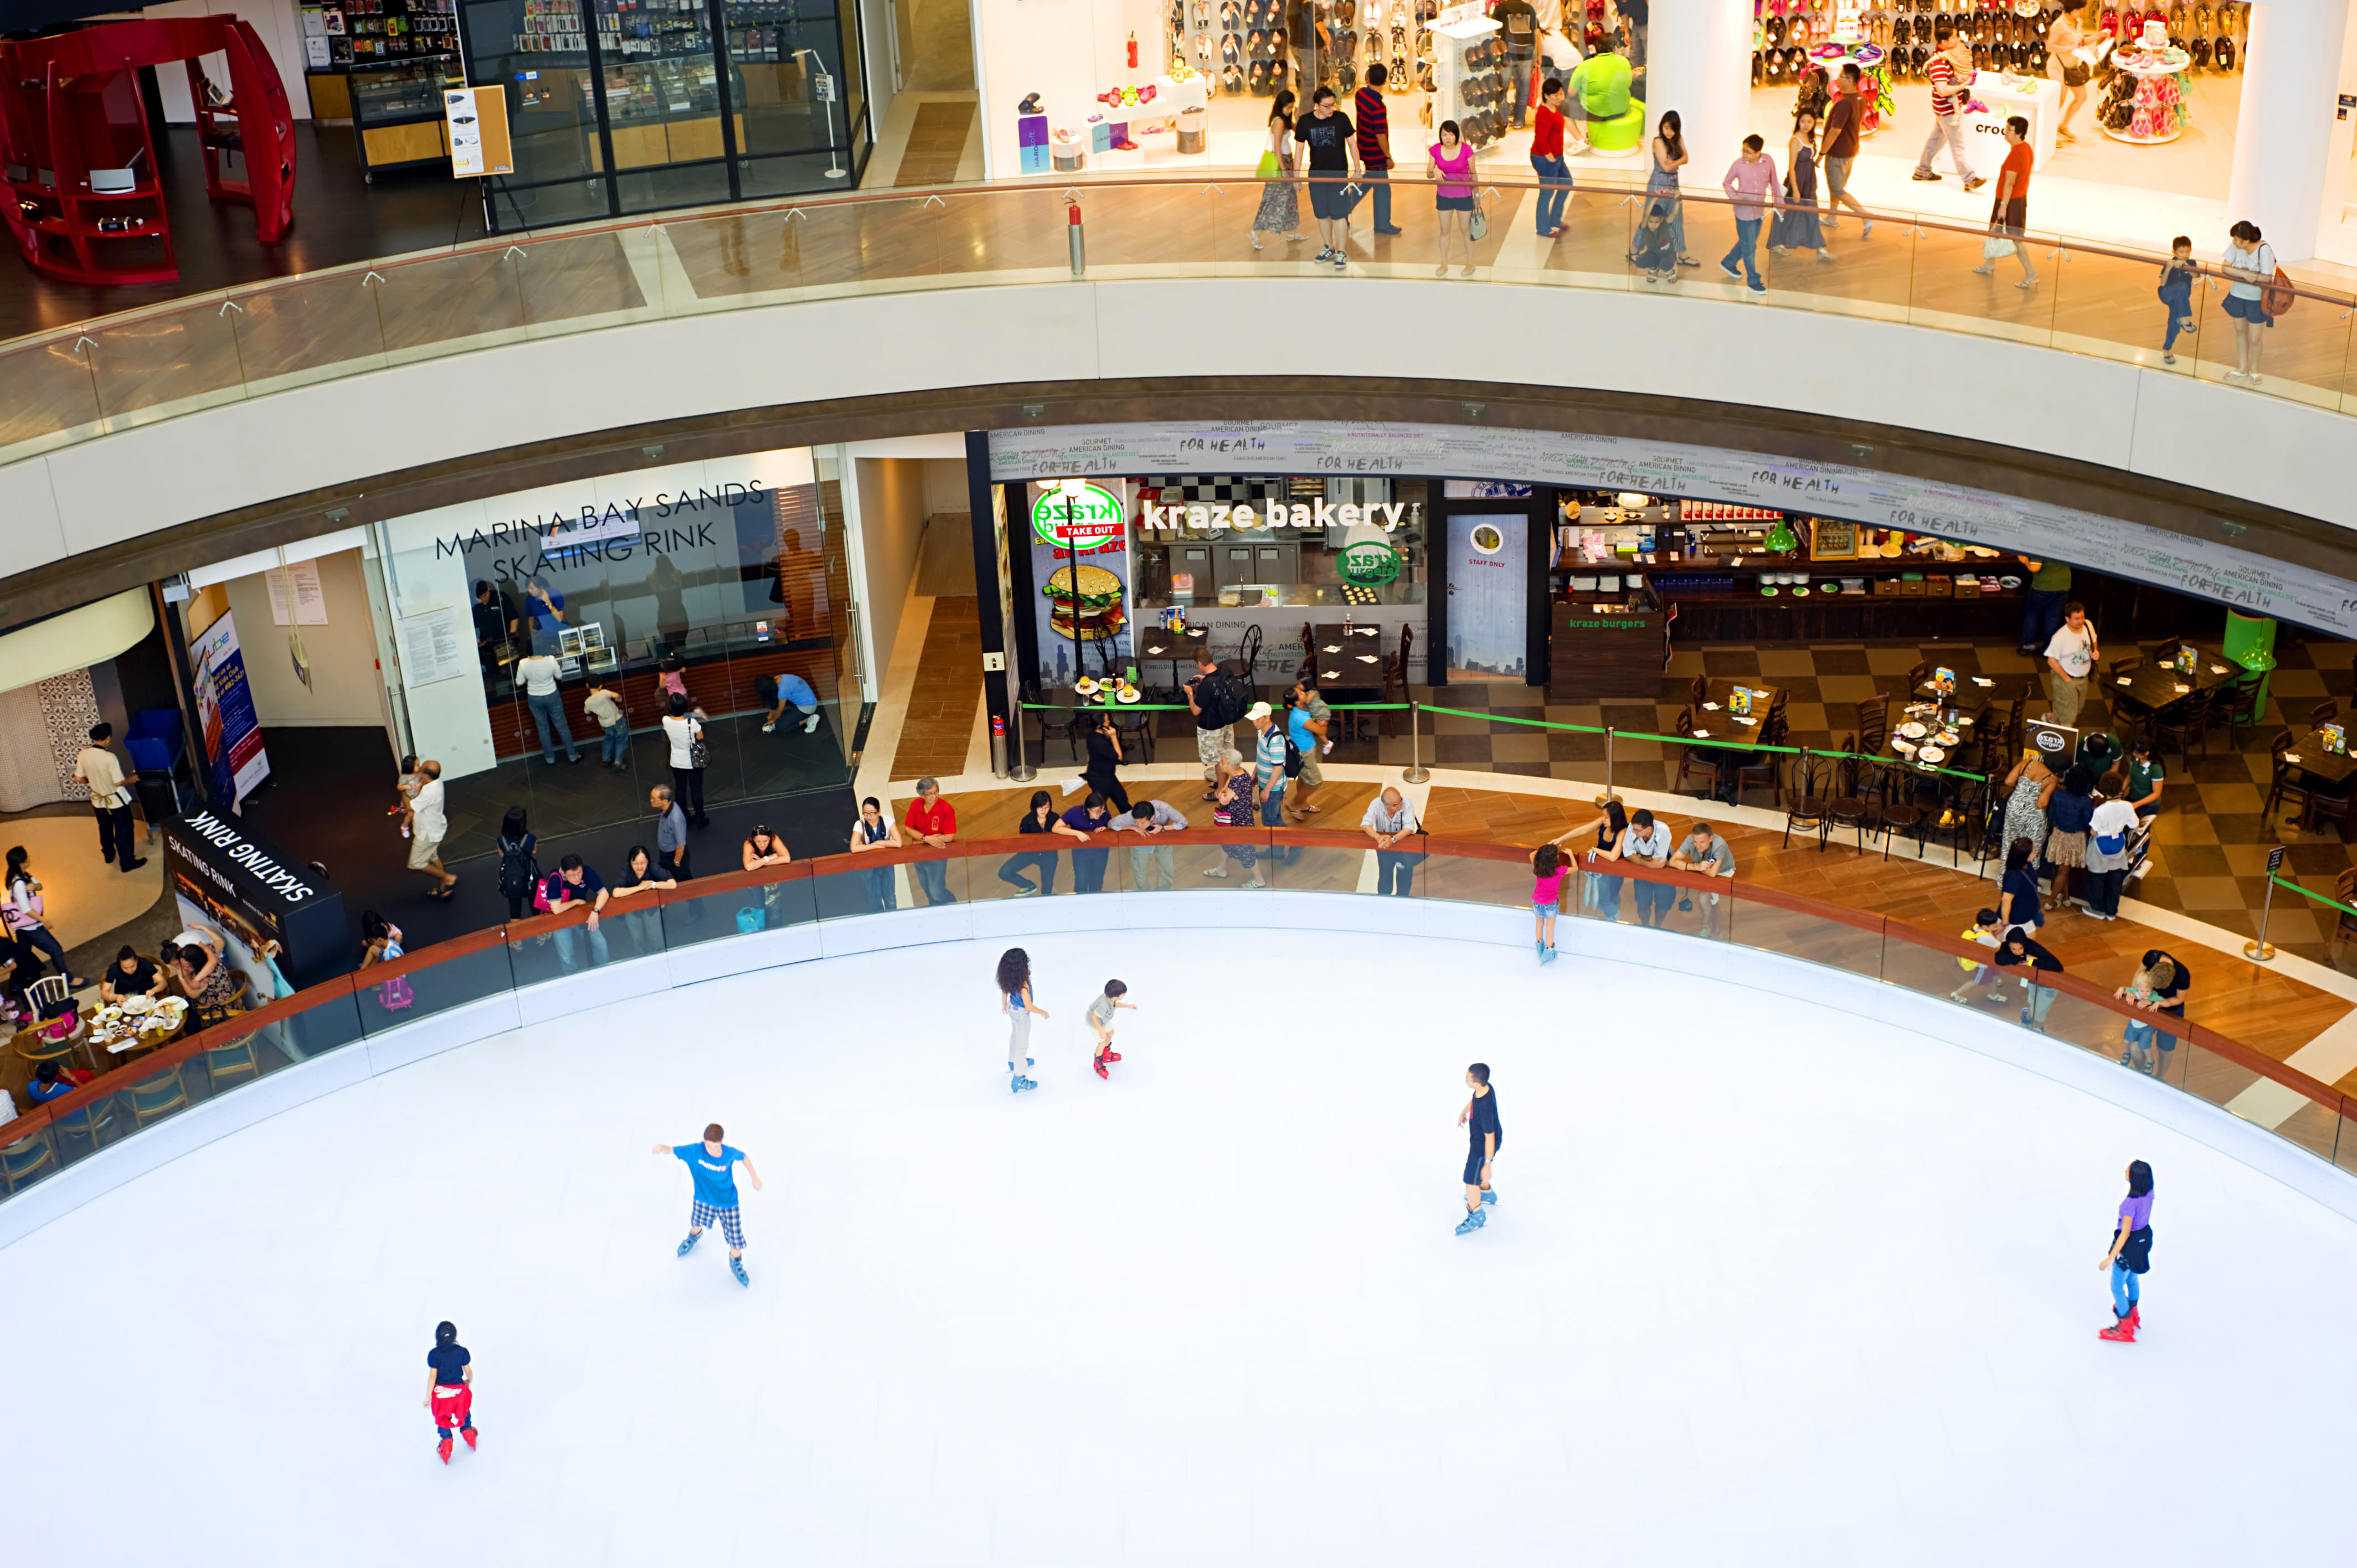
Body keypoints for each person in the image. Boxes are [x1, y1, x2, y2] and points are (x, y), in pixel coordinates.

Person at [655, 1122, 761, 1287]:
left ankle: (736, 1263)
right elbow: (673, 1150)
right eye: (709, 1145)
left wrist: (754, 1177)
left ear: (722, 1143)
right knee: (696, 1224)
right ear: (704, 1141)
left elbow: (744, 1157)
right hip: (704, 1200)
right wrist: (662, 1147)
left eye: (716, 1146)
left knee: (735, 1238)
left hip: (728, 1202)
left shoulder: (729, 1153)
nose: (712, 1149)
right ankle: (693, 1237)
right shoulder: (695, 1151)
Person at [1912, 25, 1985, 190]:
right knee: (1957, 145)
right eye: (1953, 38)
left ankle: (1922, 170)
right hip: (1947, 110)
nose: (1957, 40)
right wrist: (1963, 86)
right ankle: (1969, 179)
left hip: (1943, 109)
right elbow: (1943, 90)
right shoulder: (1939, 65)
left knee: (1936, 140)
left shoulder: (1948, 55)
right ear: (1944, 42)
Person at [2, 847, 85, 989]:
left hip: (22, 929)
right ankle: (68, 980)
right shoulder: (19, 883)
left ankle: (17, 985)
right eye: (26, 857)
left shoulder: (22, 876)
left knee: (24, 956)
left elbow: (40, 886)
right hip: (31, 928)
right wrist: (43, 920)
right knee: (56, 950)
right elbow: (26, 909)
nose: (29, 859)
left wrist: (34, 886)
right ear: (22, 862)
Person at [1970, 116, 2037, 288]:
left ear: (2019, 134)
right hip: (2015, 199)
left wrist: (2003, 206)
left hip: (2010, 202)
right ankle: (1990, 263)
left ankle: (2031, 273)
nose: (2005, 132)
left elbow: (2009, 183)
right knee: (1995, 231)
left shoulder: (2016, 155)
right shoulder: (2027, 149)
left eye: (2009, 130)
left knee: (2016, 238)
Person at [1295, 85, 1357, 270]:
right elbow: (1299, 150)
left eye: (1333, 105)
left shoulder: (1342, 118)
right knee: (1322, 214)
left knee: (1339, 215)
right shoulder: (1305, 122)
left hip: (1339, 176)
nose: (1332, 109)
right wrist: (1295, 177)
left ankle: (1341, 251)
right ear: (1317, 105)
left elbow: (1352, 144)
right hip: (1316, 176)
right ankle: (1328, 247)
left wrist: (1358, 169)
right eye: (1327, 106)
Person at [72, 723, 145, 873]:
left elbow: (78, 778)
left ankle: (109, 855)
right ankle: (127, 862)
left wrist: (92, 782)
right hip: (116, 801)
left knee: (105, 829)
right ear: (107, 738)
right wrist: (132, 779)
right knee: (123, 831)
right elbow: (118, 782)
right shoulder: (109, 757)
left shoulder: (83, 754)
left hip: (98, 801)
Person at [2098, 1160, 2155, 1342]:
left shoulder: (2129, 1205)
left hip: (2129, 1245)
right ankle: (2133, 1310)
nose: (2125, 1171)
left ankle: (2125, 1326)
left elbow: (2124, 1234)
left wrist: (2110, 1257)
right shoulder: (2150, 1193)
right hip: (2143, 1240)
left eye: (2129, 1170)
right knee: (2132, 1278)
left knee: (2116, 1285)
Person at [1769, 110, 1833, 262]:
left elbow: (1810, 158)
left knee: (1812, 213)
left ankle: (1819, 249)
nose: (1806, 125)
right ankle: (1775, 243)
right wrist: (1796, 191)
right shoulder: (1795, 140)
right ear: (1798, 121)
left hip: (1809, 181)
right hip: (1796, 182)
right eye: (1803, 121)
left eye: (1809, 122)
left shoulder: (1810, 137)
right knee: (1786, 214)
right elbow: (1792, 167)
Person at [2220, 219, 2277, 385]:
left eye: (2236, 240)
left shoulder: (2264, 250)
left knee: (2254, 338)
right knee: (2240, 332)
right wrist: (2244, 275)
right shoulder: (2236, 247)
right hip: (2237, 295)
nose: (2234, 242)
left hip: (2257, 300)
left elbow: (2267, 277)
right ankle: (2243, 368)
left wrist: (2244, 274)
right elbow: (2225, 267)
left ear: (2246, 240)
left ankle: (2255, 369)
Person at [1185, 651, 1249, 800]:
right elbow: (1217, 685)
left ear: (1200, 664)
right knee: (1226, 755)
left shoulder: (1205, 687)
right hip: (1226, 723)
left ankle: (1220, 791)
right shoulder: (1224, 669)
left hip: (1211, 728)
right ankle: (1223, 783)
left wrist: (1190, 694)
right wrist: (1205, 679)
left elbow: (1195, 711)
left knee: (1218, 761)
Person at [1818, 63, 1873, 235]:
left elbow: (1835, 131)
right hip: (1851, 149)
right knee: (1837, 185)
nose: (1838, 78)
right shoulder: (1861, 99)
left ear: (1849, 80)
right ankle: (1832, 218)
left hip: (1838, 152)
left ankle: (1866, 216)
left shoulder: (1843, 104)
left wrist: (1822, 153)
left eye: (1841, 76)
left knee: (1837, 189)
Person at [1249, 88, 1306, 251]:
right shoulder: (1279, 122)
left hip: (1286, 161)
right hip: (1282, 163)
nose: (1290, 110)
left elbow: (1297, 131)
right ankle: (1255, 233)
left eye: (1291, 107)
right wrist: (1284, 170)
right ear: (1281, 105)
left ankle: (1291, 231)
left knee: (1289, 198)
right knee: (1273, 199)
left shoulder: (1284, 119)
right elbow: (1277, 149)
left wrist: (1296, 117)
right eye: (1288, 107)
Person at [1718, 134, 1777, 295]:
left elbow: (1774, 182)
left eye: (1748, 152)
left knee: (1747, 242)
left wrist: (1780, 203)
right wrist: (1736, 197)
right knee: (1750, 246)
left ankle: (1728, 262)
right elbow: (1727, 182)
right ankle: (1753, 280)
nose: (1744, 155)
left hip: (1759, 211)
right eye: (1743, 151)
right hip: (1743, 213)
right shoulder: (1738, 165)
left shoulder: (1768, 161)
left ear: (1759, 153)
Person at [1557, 798, 1628, 922]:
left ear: (1615, 818)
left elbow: (1613, 856)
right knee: (1604, 894)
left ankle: (1614, 916)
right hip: (1600, 868)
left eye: (1606, 817)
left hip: (1614, 871)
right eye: (1603, 816)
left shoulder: (1623, 832)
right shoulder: (1604, 823)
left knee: (1607, 896)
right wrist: (1561, 838)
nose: (1603, 819)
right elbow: (1582, 830)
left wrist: (1596, 850)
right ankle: (1613, 913)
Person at [1204, 747, 1264, 889]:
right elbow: (1224, 789)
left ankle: (1259, 880)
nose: (1220, 764)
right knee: (1226, 843)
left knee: (1246, 851)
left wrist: (1221, 794)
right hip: (1236, 820)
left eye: (1223, 762)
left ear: (1231, 765)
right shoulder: (1239, 772)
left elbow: (1223, 798)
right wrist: (1223, 792)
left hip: (1239, 824)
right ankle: (1221, 869)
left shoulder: (1237, 782)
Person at [1354, 63, 1403, 236]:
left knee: (1371, 180)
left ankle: (1344, 206)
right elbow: (1380, 134)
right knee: (1383, 189)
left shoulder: (1360, 95)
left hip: (1363, 147)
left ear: (1367, 78)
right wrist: (1388, 156)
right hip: (1376, 153)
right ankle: (1382, 223)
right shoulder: (1379, 107)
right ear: (1386, 81)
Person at [1644, 109, 1697, 266]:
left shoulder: (1678, 138)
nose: (1669, 132)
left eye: (1673, 129)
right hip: (1659, 183)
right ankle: (1640, 250)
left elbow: (1686, 158)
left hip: (1674, 184)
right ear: (1662, 126)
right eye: (1666, 128)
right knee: (1651, 218)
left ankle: (1683, 254)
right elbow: (1666, 167)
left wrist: (1671, 162)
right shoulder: (1658, 141)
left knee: (1677, 219)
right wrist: (1676, 162)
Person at [541, 854, 610, 972]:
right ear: (563, 872)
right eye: (572, 875)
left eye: (579, 873)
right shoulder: (556, 879)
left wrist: (596, 911)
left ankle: (604, 971)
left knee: (601, 944)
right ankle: (571, 976)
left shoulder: (586, 871)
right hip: (561, 920)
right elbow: (556, 909)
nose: (577, 878)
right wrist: (576, 902)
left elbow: (604, 893)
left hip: (582, 915)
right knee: (567, 955)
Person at [2083, 772, 2138, 922]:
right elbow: (2135, 824)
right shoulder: (2127, 806)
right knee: (2115, 880)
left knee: (2098, 879)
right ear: (2120, 789)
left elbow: (2094, 831)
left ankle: (2097, 909)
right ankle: (2112, 912)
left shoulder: (2100, 810)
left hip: (2100, 847)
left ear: (2104, 789)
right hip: (2118, 845)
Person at [423, 1321, 478, 1465]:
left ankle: (446, 1445)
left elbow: (433, 1377)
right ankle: (468, 1433)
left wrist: (428, 1396)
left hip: (441, 1395)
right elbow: (468, 1372)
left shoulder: (434, 1355)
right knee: (464, 1411)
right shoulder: (462, 1352)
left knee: (443, 1418)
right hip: (458, 1393)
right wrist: (469, 1381)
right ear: (455, 1336)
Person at [1669, 817, 1736, 934]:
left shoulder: (1720, 844)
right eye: (1695, 842)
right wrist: (1696, 867)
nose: (1698, 846)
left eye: (1702, 842)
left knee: (1704, 898)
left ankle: (1708, 927)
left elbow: (1713, 873)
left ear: (1711, 839)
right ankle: (1713, 927)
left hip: (1723, 872)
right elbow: (1673, 861)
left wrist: (1693, 866)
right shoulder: (1690, 840)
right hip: (1701, 869)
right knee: (1707, 899)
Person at [1428, 118, 1477, 280]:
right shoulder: (1435, 150)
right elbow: (1428, 173)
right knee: (1444, 231)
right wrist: (1434, 171)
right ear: (1440, 136)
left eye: (1451, 135)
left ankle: (1471, 263)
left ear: (1456, 135)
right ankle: (1444, 263)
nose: (1448, 138)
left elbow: (1473, 174)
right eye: (1444, 135)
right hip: (1444, 196)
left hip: (1464, 196)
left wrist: (1477, 195)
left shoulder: (1466, 150)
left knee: (1466, 231)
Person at [1455, 1061, 1500, 1235]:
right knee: (1478, 1173)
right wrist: (1464, 1112)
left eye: (1468, 1078)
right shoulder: (1485, 1088)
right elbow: (1474, 1100)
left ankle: (1476, 1216)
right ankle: (1487, 1193)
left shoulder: (1485, 1109)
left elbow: (1490, 1138)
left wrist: (1488, 1164)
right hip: (1479, 1141)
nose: (1466, 1080)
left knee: (1470, 1180)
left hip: (1483, 1146)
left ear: (1476, 1082)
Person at [2131, 946, 2192, 1075]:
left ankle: (2160, 1077)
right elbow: (2138, 974)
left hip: (2172, 1010)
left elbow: (2179, 999)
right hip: (2147, 1001)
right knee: (2136, 1044)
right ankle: (2141, 1073)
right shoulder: (2151, 956)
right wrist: (2135, 993)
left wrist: (2161, 1003)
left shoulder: (2183, 975)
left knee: (2165, 1049)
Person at [2044, 762, 2097, 910]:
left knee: (2062, 869)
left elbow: (2050, 815)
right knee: (2064, 871)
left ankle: (2066, 897)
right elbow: (2087, 823)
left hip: (2058, 834)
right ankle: (2050, 901)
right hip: (2074, 838)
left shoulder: (2057, 794)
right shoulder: (2086, 801)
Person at [514, 646, 580, 765]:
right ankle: (573, 756)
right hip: (552, 696)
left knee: (543, 729)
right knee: (562, 726)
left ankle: (550, 759)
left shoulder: (523, 663)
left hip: (534, 697)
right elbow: (559, 677)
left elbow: (519, 683)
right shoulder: (551, 659)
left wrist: (528, 680)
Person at [404, 759, 459, 901]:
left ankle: (448, 878)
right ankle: (443, 887)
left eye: (421, 769)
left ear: (426, 775)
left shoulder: (430, 792)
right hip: (434, 829)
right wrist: (420, 785)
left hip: (427, 833)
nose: (419, 770)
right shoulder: (435, 783)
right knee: (433, 857)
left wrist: (404, 792)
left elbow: (411, 806)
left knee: (416, 862)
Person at [1567, 32, 1630, 146]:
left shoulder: (1586, 65)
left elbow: (1571, 92)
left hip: (1596, 113)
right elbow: (1628, 84)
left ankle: (1580, 141)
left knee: (1562, 105)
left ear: (1596, 48)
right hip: (1621, 110)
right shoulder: (1624, 62)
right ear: (1614, 48)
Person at [608, 845, 675, 954]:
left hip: (652, 909)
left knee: (655, 936)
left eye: (643, 862)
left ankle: (659, 956)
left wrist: (653, 885)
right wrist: (640, 887)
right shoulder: (626, 871)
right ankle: (642, 957)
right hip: (632, 911)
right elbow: (616, 892)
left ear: (648, 861)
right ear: (631, 862)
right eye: (636, 863)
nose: (640, 867)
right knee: (637, 938)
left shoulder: (653, 867)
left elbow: (672, 884)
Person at [1993, 929, 2063, 1030]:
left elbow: (2056, 965)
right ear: (2009, 946)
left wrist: (2033, 962)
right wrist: (2024, 958)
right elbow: (1999, 959)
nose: (2017, 952)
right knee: (2034, 1004)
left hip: (2049, 986)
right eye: (2014, 949)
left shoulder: (2033, 947)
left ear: (2025, 945)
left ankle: (2038, 1029)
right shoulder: (2006, 946)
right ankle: (2027, 1020)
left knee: (2040, 1013)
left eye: (2020, 948)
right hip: (2032, 981)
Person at [998, 948, 1046, 1094]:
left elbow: (1004, 991)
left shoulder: (1008, 979)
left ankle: (1012, 1061)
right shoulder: (1023, 985)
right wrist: (1043, 1012)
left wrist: (1005, 1005)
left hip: (1012, 1009)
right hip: (1022, 1014)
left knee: (1015, 1035)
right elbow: (1029, 1006)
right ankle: (1019, 1077)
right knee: (1022, 1045)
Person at [2046, 0, 2096, 143]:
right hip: (2057, 69)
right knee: (2058, 102)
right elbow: (2050, 47)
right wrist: (2071, 48)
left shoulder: (2077, 21)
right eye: (2079, 9)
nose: (2082, 12)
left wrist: (2099, 36)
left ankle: (2063, 127)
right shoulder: (2059, 25)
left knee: (2082, 96)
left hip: (2071, 68)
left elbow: (2081, 42)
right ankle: (2048, 134)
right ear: (2071, 9)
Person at [2045, 601, 2099, 729]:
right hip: (2067, 679)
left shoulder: (2088, 625)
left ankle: (2052, 718)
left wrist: (2095, 652)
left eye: (2082, 617)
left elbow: (2094, 640)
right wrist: (2067, 680)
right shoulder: (2060, 637)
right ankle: (2065, 745)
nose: (2081, 622)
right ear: (2067, 619)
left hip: (2083, 677)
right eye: (2076, 619)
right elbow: (2051, 661)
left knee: (2076, 709)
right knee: (2069, 718)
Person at [1111, 798, 1186, 891]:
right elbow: (1112, 824)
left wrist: (1163, 827)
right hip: (1141, 841)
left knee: (1167, 869)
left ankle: (1163, 894)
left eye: (1142, 823)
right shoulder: (1131, 815)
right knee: (1140, 872)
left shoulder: (1164, 808)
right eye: (1137, 822)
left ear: (1152, 818)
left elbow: (1183, 822)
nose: (1139, 825)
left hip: (1163, 840)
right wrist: (1132, 827)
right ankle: (1143, 896)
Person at [904, 776, 958, 906]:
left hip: (937, 856)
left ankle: (954, 904)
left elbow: (950, 836)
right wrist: (927, 838)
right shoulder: (915, 805)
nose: (935, 796)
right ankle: (936, 908)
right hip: (919, 856)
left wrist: (920, 839)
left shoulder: (946, 809)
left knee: (937, 891)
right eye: (930, 794)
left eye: (936, 792)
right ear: (922, 795)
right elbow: (908, 829)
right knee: (926, 888)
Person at [2115, 957, 2173, 1074]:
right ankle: (2127, 1054)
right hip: (2134, 1025)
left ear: (2152, 989)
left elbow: (2167, 1003)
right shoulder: (2136, 992)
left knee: (2144, 1046)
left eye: (2148, 991)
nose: (2145, 994)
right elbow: (2126, 990)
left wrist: (2157, 1003)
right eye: (2142, 991)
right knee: (2127, 1041)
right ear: (2138, 989)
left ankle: (2150, 1061)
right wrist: (2121, 990)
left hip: (2146, 1028)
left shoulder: (2153, 996)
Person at [1000, 789, 1061, 898]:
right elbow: (1022, 842)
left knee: (1047, 886)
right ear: (1034, 807)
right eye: (1041, 808)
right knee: (1004, 872)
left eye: (1047, 807)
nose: (1044, 811)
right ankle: (1028, 885)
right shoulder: (1027, 821)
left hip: (1049, 856)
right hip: (1030, 854)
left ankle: (1045, 903)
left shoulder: (1055, 818)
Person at [1620, 807, 1675, 928]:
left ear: (1649, 829)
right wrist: (1649, 863)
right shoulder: (1632, 828)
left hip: (1664, 872)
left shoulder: (1663, 831)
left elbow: (1659, 862)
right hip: (1643, 871)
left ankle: (1657, 927)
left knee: (1663, 905)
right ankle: (1646, 926)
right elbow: (1628, 854)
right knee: (1642, 904)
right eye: (1633, 828)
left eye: (1637, 830)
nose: (1633, 832)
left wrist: (1638, 858)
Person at [1530, 77, 1571, 239]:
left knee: (1566, 183)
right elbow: (1540, 140)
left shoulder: (1553, 108)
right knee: (1547, 193)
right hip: (1545, 158)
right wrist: (1551, 159)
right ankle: (1543, 228)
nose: (1559, 98)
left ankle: (1555, 219)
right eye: (1555, 95)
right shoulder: (1544, 113)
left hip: (1557, 157)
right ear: (1546, 96)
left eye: (1560, 94)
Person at [1363, 786, 1423, 896]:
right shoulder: (1376, 805)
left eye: (1400, 802)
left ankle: (1402, 900)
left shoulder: (1407, 804)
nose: (1400, 806)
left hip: (1404, 847)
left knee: (1404, 878)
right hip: (1384, 847)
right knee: (1385, 876)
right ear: (1386, 806)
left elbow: (1408, 829)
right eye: (1395, 805)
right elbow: (1365, 824)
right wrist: (1378, 837)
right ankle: (1384, 901)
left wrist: (1393, 839)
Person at [1284, 675, 1330, 819]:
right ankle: (1295, 804)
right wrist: (1324, 724)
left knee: (1304, 778)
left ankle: (1302, 804)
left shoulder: (1300, 708)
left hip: (1304, 749)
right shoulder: (1301, 717)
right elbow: (1321, 732)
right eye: (1301, 693)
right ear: (1297, 701)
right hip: (1304, 753)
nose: (1304, 692)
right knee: (1315, 782)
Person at [661, 693, 709, 827]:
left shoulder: (666, 721)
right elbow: (700, 736)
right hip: (694, 762)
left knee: (680, 790)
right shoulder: (691, 723)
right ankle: (700, 817)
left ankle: (685, 818)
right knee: (696, 790)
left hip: (676, 762)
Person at [1054, 792, 1113, 894]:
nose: (1099, 814)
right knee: (1081, 881)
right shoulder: (1075, 812)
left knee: (1097, 881)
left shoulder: (1105, 814)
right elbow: (1056, 828)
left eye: (1102, 811)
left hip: (1101, 853)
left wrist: (1107, 829)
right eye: (1096, 811)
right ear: (1088, 809)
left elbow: (1112, 828)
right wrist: (1077, 833)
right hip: (1081, 854)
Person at [849, 796, 901, 911]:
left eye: (872, 813)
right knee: (874, 898)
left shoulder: (888, 821)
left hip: (886, 865)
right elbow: (854, 848)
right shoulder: (860, 824)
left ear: (879, 811)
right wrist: (874, 846)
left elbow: (898, 843)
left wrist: (878, 842)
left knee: (890, 897)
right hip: (869, 867)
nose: (869, 817)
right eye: (866, 813)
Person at [1493, 0, 1539, 126]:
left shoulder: (1501, 9)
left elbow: (1495, 33)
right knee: (1523, 88)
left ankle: (1504, 121)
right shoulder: (1529, 9)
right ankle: (1519, 121)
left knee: (1503, 88)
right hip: (1527, 55)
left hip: (1507, 56)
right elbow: (1537, 34)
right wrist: (1537, 56)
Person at [2016, 554, 2072, 656]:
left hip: (2043, 586)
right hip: (2064, 585)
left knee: (2031, 615)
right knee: (2053, 619)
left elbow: (2035, 568)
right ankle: (2049, 649)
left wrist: (2025, 561)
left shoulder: (2040, 541)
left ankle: (2029, 645)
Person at [359, 911, 413, 1013]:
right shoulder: (391, 942)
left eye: (373, 941)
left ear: (379, 940)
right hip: (394, 967)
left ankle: (371, 981)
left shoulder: (388, 955)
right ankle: (363, 971)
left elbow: (390, 976)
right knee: (373, 949)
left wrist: (374, 977)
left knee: (371, 985)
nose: (372, 943)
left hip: (398, 977)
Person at [1948, 906, 2004, 1005]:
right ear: (1985, 927)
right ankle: (1956, 994)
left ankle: (1993, 994)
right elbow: (2000, 947)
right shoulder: (1986, 938)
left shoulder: (1976, 928)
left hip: (1988, 961)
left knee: (1995, 977)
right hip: (1983, 965)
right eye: (1994, 925)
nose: (1996, 927)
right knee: (1976, 981)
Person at [2157, 234, 2197, 365]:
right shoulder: (2169, 263)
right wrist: (2169, 267)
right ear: (2174, 252)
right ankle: (2184, 318)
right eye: (2181, 252)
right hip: (2167, 294)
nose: (2185, 255)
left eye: (2188, 252)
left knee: (2173, 324)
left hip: (2180, 301)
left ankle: (2167, 349)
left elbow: (2196, 275)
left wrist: (2186, 266)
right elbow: (2162, 284)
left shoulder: (2191, 263)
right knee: (2182, 286)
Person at [1082, 711, 1131, 815]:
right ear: (1100, 726)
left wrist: (1088, 766)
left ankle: (1132, 818)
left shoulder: (1092, 734)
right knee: (1100, 806)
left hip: (1107, 775)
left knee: (1121, 798)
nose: (1109, 722)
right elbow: (1119, 757)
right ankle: (1098, 825)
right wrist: (1113, 736)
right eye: (1107, 721)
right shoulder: (1100, 743)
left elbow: (1090, 753)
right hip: (1100, 780)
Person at [1248, 701, 1288, 828]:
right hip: (1265, 783)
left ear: (1267, 718)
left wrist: (1267, 791)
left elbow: (1278, 769)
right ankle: (1277, 848)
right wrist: (1256, 773)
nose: (1254, 722)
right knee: (1274, 817)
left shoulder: (1275, 740)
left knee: (1270, 821)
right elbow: (1261, 756)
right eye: (1253, 718)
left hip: (1273, 789)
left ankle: (1296, 841)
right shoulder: (1261, 731)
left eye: (1258, 719)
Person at [495, 807, 539, 921]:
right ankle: (540, 935)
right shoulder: (530, 838)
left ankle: (517, 938)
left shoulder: (501, 840)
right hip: (531, 877)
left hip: (511, 877)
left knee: (514, 912)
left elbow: (502, 855)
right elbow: (534, 851)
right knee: (536, 908)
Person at [1085, 978, 1133, 1081]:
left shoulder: (1110, 998)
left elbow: (1115, 1004)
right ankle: (1097, 1062)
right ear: (1116, 997)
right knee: (1102, 1043)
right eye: (1123, 995)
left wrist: (1127, 1006)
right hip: (1095, 1022)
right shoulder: (1103, 1005)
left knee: (1111, 1033)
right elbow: (1094, 1017)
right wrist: (1100, 1030)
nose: (1124, 996)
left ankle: (1106, 1053)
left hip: (1103, 1018)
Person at [1998, 837, 2044, 941]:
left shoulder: (2027, 865)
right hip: (2015, 920)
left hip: (2026, 915)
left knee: (2030, 943)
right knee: (2014, 948)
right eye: (2033, 851)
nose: (2036, 852)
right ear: (2024, 856)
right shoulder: (2014, 876)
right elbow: (2006, 901)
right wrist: (2005, 923)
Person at [1528, 842, 1567, 964]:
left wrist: (1545, 847)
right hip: (1550, 903)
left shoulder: (1538, 866)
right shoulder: (1560, 870)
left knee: (1539, 924)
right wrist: (1570, 854)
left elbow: (1532, 854)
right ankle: (1548, 954)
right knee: (1550, 928)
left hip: (1537, 901)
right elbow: (1576, 868)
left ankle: (1540, 950)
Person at [651, 783, 693, 883]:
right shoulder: (667, 809)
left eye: (654, 799)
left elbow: (681, 844)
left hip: (673, 857)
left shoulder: (676, 818)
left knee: (684, 881)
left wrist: (677, 862)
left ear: (665, 801)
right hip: (665, 855)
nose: (651, 800)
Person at [583, 679, 628, 769]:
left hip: (606, 724)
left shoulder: (588, 702)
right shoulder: (603, 693)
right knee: (621, 740)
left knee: (608, 740)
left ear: (587, 686)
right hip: (617, 720)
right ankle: (618, 762)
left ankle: (605, 759)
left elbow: (586, 712)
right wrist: (619, 698)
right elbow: (616, 695)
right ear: (600, 686)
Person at [760, 671, 824, 734]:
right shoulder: (776, 679)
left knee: (781, 727)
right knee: (776, 699)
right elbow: (773, 699)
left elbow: (780, 710)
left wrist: (773, 720)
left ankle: (809, 719)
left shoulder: (783, 690)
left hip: (808, 707)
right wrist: (771, 714)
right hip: (802, 700)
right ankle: (775, 723)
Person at [100, 945, 166, 1005]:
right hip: (126, 1002)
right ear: (120, 964)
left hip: (147, 999)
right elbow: (104, 994)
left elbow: (163, 983)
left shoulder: (144, 963)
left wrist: (153, 990)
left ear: (137, 960)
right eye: (125, 968)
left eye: (133, 966)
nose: (130, 971)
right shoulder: (114, 968)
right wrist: (116, 997)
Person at [1629, 202, 1677, 283]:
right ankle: (1654, 268)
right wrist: (1655, 198)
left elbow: (1675, 213)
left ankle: (1669, 271)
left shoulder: (1664, 225)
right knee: (1639, 262)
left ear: (1661, 220)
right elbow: (1646, 215)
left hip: (1667, 254)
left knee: (1665, 264)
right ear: (1647, 220)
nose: (1653, 225)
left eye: (1656, 222)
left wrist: (1679, 201)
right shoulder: (1645, 227)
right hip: (1653, 253)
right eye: (1651, 222)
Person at [2123, 734, 2166, 819]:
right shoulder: (2135, 758)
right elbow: (2131, 775)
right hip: (2133, 797)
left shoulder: (2156, 768)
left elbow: (2156, 794)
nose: (2134, 754)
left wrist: (2136, 805)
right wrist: (2122, 788)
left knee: (2141, 829)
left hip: (2149, 805)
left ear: (2147, 753)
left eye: (2137, 753)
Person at [520, 574, 567, 653]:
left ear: (541, 587)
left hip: (559, 633)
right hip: (543, 636)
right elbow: (531, 618)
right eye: (528, 588)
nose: (529, 591)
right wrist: (532, 634)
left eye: (532, 588)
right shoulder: (530, 599)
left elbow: (559, 618)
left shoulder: (554, 594)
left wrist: (548, 602)